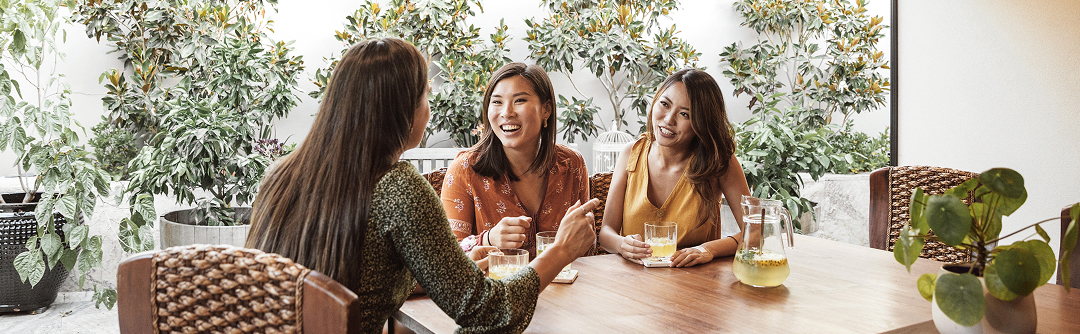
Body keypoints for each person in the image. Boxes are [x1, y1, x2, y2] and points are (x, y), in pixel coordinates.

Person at [245, 38, 600, 333]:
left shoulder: (280, 175)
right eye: (425, 98)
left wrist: (448, 271)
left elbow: (359, 279)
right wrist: (561, 251)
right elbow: (487, 313)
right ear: (400, 110)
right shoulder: (399, 187)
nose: (429, 111)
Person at [597, 68, 751, 268]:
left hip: (696, 288)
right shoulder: (630, 154)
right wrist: (622, 244)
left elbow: (755, 231)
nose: (669, 119)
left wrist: (708, 250)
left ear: (702, 122)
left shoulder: (720, 162)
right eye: (664, 104)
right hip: (632, 286)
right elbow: (606, 232)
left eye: (685, 114)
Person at [441, 63, 590, 256]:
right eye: (497, 102)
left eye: (519, 100)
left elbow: (586, 249)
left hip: (565, 285)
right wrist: (488, 239)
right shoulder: (465, 169)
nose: (507, 113)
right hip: (495, 286)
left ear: (546, 110)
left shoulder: (572, 165)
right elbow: (445, 258)